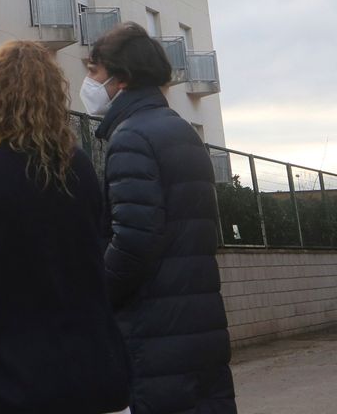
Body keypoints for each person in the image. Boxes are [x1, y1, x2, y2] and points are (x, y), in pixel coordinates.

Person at [0, 40, 131, 414]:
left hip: (8, 383)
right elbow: (100, 237)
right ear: (54, 98)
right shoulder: (79, 168)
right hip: (94, 375)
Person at [83, 23, 236, 414]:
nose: (88, 83)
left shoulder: (131, 137)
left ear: (122, 79)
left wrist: (99, 292)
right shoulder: (182, 131)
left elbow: (134, 241)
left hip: (155, 325)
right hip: (196, 322)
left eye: (94, 73)